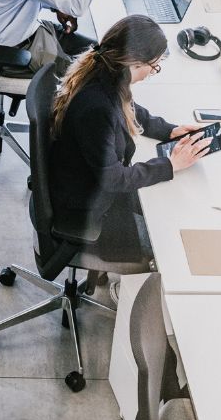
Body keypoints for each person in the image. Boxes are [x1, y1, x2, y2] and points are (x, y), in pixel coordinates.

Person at [48, 14, 211, 260]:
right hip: (85, 206)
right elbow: (113, 179)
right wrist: (170, 164)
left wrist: (167, 130)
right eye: (154, 66)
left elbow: (127, 106)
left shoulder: (104, 71)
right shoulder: (96, 106)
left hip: (81, 180)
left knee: (170, 204)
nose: (152, 72)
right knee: (165, 249)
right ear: (135, 62)